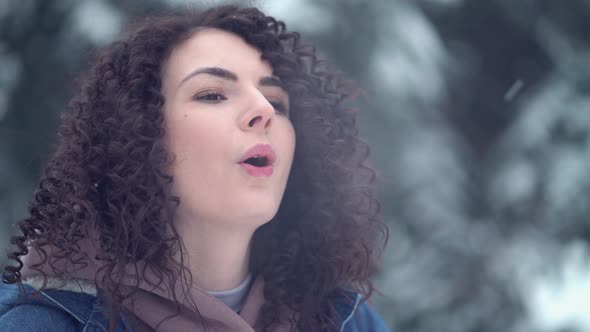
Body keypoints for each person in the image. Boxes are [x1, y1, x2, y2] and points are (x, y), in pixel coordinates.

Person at [0, 4, 389, 332]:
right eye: (212, 94)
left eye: (277, 101)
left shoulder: (347, 319)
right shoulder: (45, 323)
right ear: (137, 135)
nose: (264, 110)